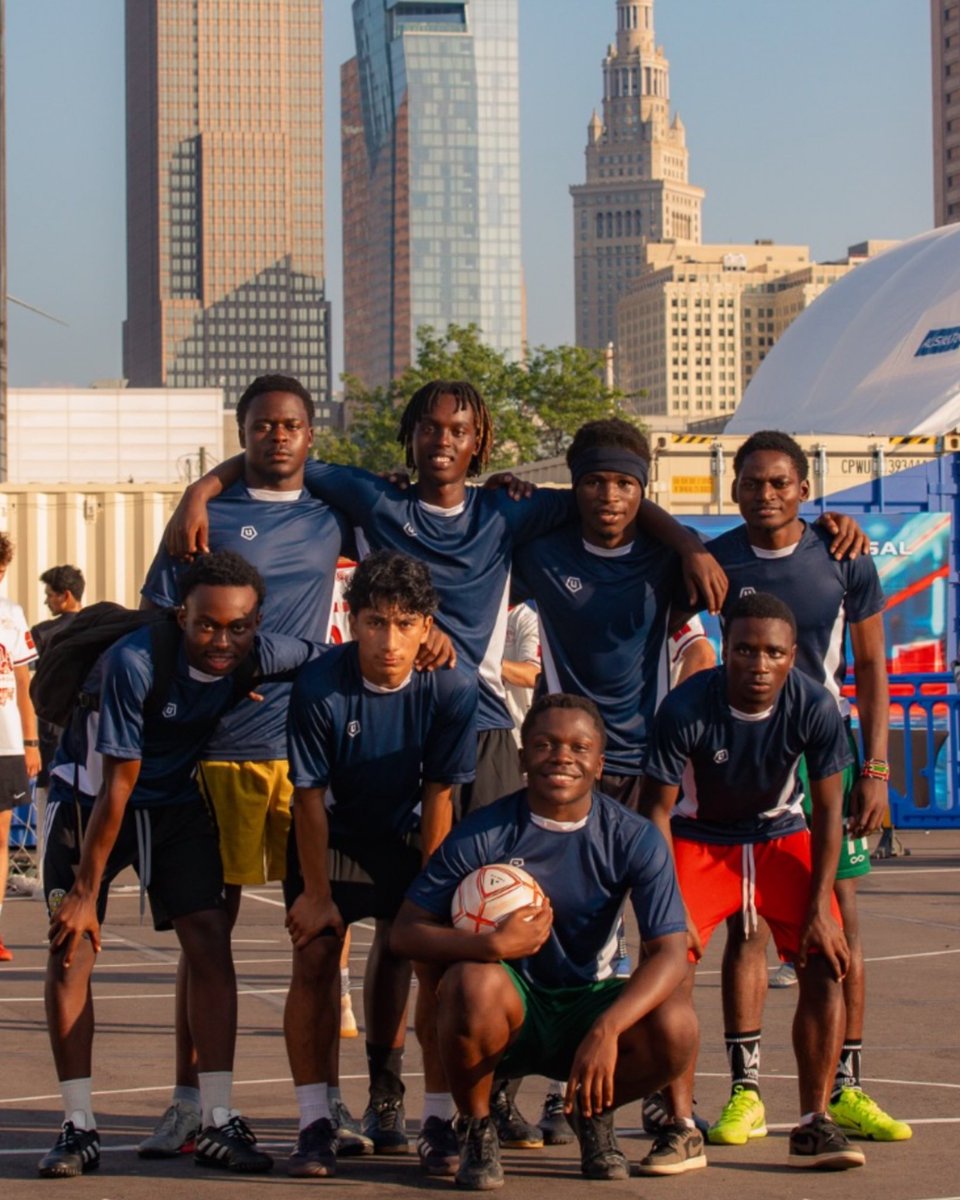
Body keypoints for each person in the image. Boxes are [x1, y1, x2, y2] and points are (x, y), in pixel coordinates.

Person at [169, 379, 725, 1149]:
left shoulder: (507, 510)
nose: (442, 440)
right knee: (405, 933)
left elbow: (616, 493)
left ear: (480, 443)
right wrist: (201, 489)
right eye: (429, 427)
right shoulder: (372, 500)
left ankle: (490, 1093)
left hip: (487, 728)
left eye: (458, 429)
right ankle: (389, 1094)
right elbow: (280, 454)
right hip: (394, 727)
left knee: (509, 911)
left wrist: (690, 540)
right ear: (410, 439)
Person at [138, 374, 366, 1156]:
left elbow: (423, 537)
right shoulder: (204, 518)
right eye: (263, 424)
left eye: (292, 424)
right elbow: (157, 622)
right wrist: (202, 489)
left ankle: (327, 1101)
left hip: (307, 753)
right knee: (207, 937)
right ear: (243, 433)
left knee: (318, 936)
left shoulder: (336, 516)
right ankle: (186, 1100)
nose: (278, 435)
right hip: (220, 753)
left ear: (311, 435)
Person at [39, 551, 317, 1178]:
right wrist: (83, 892)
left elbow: (324, 658)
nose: (222, 641)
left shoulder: (256, 651)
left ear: (256, 622)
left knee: (211, 941)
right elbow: (117, 786)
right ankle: (77, 1126)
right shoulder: (135, 662)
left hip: (171, 804)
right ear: (180, 616)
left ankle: (217, 1118)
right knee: (72, 950)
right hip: (88, 806)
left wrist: (428, 643)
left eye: (238, 627)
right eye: (207, 626)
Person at [391, 693, 697, 1191]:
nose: (562, 756)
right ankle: (477, 1126)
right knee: (472, 983)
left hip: (587, 1004)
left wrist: (608, 1030)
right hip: (513, 1007)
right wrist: (490, 947)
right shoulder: (485, 831)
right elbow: (406, 930)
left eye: (579, 747)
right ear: (522, 758)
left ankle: (592, 1114)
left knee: (677, 1026)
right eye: (545, 744)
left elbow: (669, 949)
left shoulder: (632, 836)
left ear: (600, 764)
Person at [699, 431, 908, 1146]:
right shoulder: (716, 560)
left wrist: (875, 770)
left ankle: (844, 1088)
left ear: (804, 487)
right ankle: (746, 1091)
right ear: (734, 488)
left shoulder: (843, 553)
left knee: (839, 923)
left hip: (825, 758)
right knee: (747, 921)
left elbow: (874, 666)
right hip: (744, 756)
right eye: (753, 482)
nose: (766, 494)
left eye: (780, 482)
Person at [640, 592, 865, 1172]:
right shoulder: (686, 706)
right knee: (671, 963)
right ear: (725, 648)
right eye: (745, 649)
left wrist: (819, 907)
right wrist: (668, 905)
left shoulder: (813, 705)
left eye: (772, 652)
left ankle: (814, 1122)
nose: (758, 664)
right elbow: (658, 811)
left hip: (777, 835)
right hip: (699, 836)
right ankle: (681, 1125)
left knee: (826, 957)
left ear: (793, 656)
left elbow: (829, 814)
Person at [282, 551, 478, 1177]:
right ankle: (315, 1119)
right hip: (331, 834)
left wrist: (434, 889)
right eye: (374, 622)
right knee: (315, 951)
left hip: (407, 834)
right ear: (352, 618)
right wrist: (316, 894)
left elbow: (439, 792)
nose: (388, 640)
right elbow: (307, 799)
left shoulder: (452, 684)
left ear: (427, 626)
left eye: (404, 623)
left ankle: (435, 1118)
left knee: (433, 962)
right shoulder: (320, 685)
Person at [0, 533, 41, 963]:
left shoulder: (10, 614)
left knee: (1, 839)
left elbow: (25, 682)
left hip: (7, 743)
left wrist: (31, 741)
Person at [31, 566, 86, 793]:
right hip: (89, 736)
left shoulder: (44, 633)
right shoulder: (101, 626)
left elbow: (25, 679)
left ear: (66, 595)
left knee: (49, 813)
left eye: (49, 595)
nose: (46, 602)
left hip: (52, 737)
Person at [501, 602, 540, 746]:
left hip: (514, 733)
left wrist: (486, 662)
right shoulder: (470, 613)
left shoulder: (526, 618)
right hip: (469, 726)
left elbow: (533, 675)